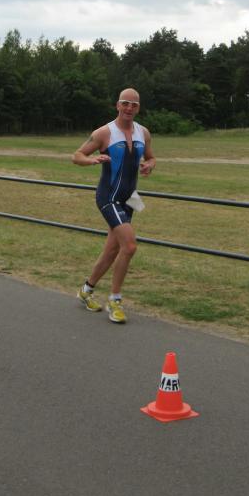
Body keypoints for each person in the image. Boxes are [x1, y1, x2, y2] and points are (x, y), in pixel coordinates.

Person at [72, 88, 156, 324]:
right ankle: (115, 300)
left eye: (134, 104)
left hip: (130, 199)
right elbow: (76, 155)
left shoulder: (143, 133)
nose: (129, 108)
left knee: (112, 250)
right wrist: (92, 160)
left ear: (138, 108)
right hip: (109, 197)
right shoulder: (104, 132)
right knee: (129, 246)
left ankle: (86, 290)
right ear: (117, 105)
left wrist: (150, 165)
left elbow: (151, 157)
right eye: (125, 103)